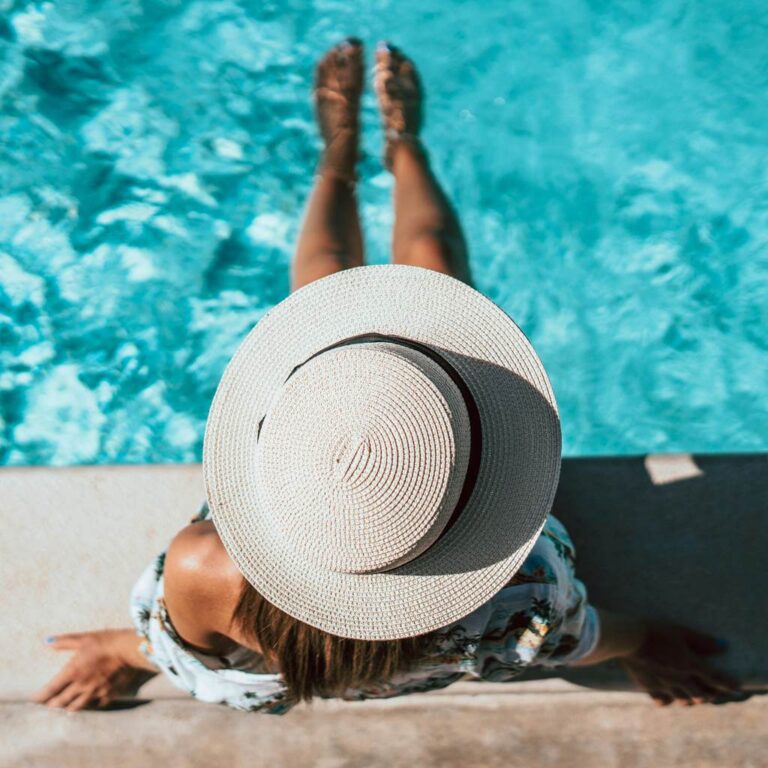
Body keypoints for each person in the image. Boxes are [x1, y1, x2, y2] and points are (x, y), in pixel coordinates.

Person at [32, 38, 744, 714]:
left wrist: (123, 651)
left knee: (321, 284)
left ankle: (337, 155)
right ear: (485, 491)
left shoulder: (204, 567)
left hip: (328, 508)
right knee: (431, 258)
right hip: (435, 553)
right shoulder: (519, 586)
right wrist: (647, 641)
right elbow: (578, 638)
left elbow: (190, 654)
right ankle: (407, 147)